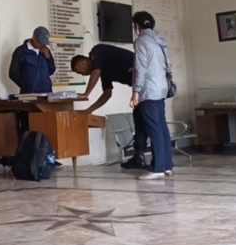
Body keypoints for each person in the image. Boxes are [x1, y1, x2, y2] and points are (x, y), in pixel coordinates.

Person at [71, 45, 148, 169]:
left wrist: (86, 94)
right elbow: (107, 94)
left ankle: (159, 159)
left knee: (149, 121)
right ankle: (139, 157)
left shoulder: (97, 51)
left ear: (83, 61)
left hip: (146, 83)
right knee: (139, 119)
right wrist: (89, 110)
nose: (83, 74)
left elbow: (95, 72)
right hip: (139, 89)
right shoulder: (103, 70)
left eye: (80, 71)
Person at [129, 11, 174, 180]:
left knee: (153, 128)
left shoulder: (141, 41)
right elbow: (167, 65)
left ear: (136, 26)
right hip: (161, 87)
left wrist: (136, 92)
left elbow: (141, 68)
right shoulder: (159, 39)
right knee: (162, 127)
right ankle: (167, 165)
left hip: (149, 89)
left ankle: (157, 168)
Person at [8, 25, 56, 139]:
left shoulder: (45, 51)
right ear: (33, 36)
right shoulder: (21, 51)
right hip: (28, 97)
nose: (41, 45)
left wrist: (48, 57)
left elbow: (51, 70)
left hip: (46, 96)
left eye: (44, 43)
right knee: (28, 128)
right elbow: (13, 73)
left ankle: (44, 154)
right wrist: (26, 84)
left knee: (46, 128)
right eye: (39, 41)